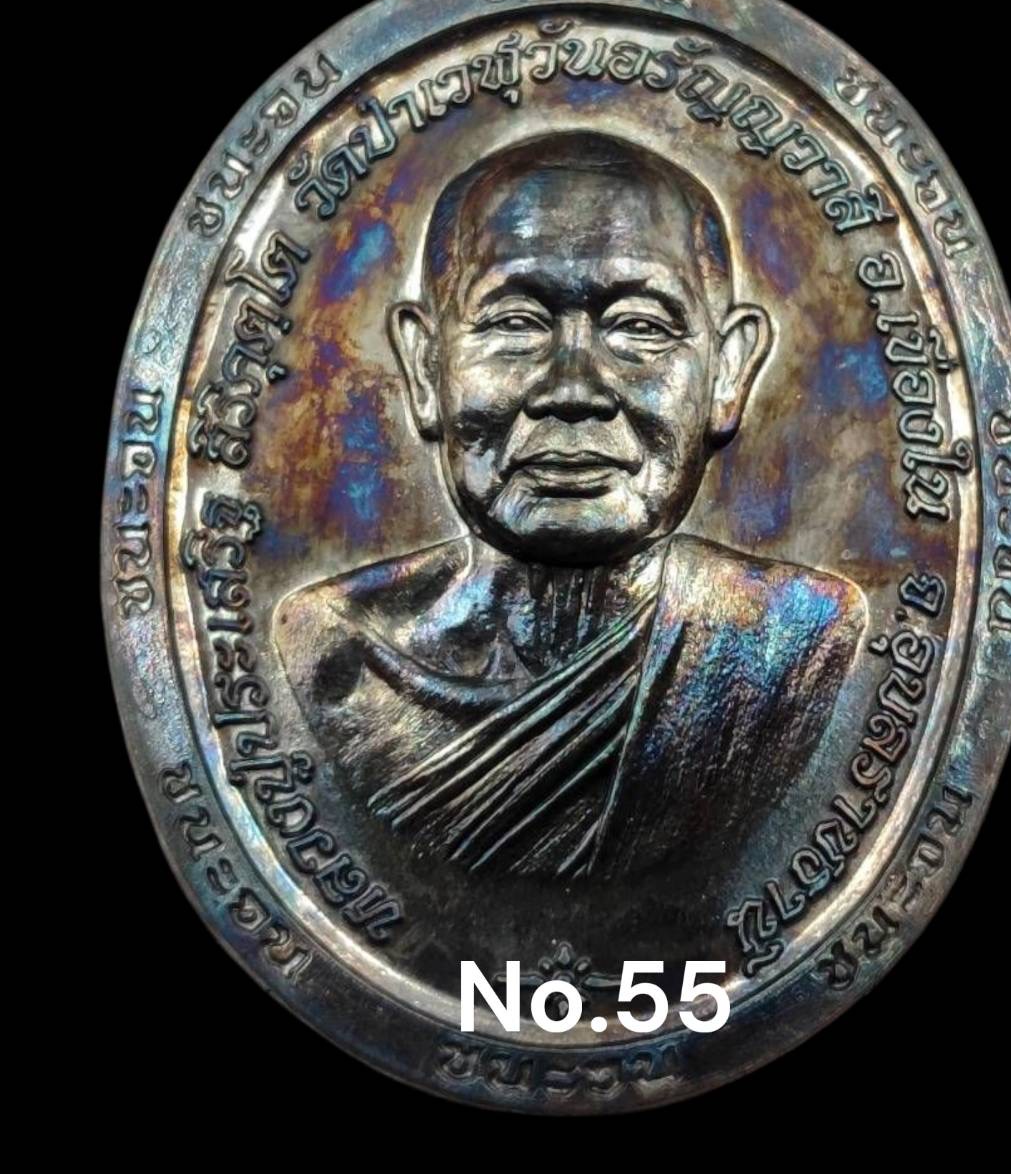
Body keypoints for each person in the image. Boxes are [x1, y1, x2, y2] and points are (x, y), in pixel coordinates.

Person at [274, 131, 865, 881]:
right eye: (515, 323)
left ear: (728, 371)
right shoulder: (337, 654)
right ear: (426, 368)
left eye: (640, 328)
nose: (574, 389)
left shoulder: (792, 642)